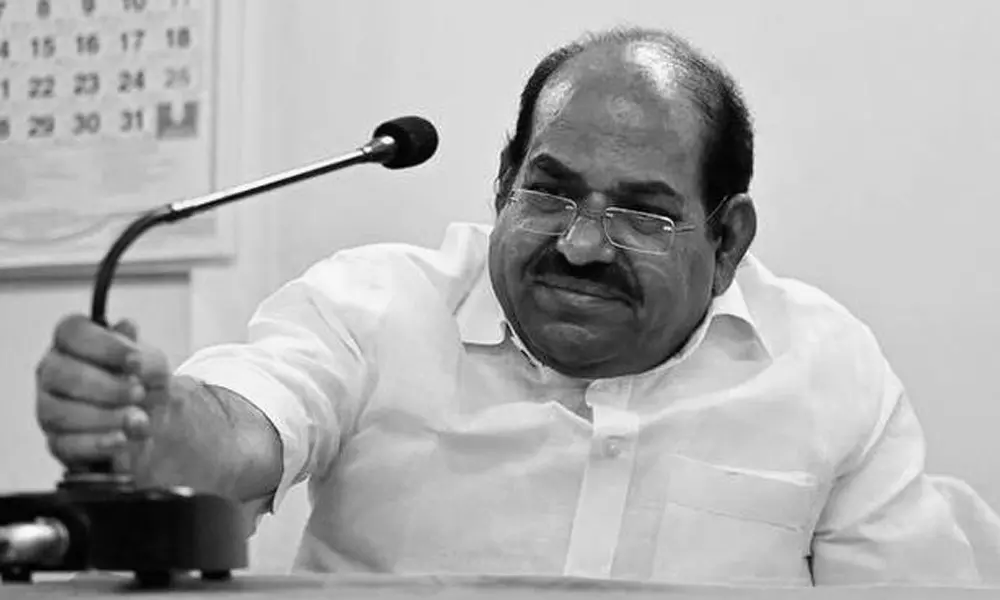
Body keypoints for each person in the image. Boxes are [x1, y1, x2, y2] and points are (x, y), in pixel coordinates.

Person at [33, 26, 995, 586]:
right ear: (503, 184)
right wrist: (156, 421)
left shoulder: (826, 369)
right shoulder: (376, 307)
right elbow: (244, 430)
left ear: (729, 241)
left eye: (642, 214)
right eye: (550, 192)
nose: (581, 244)